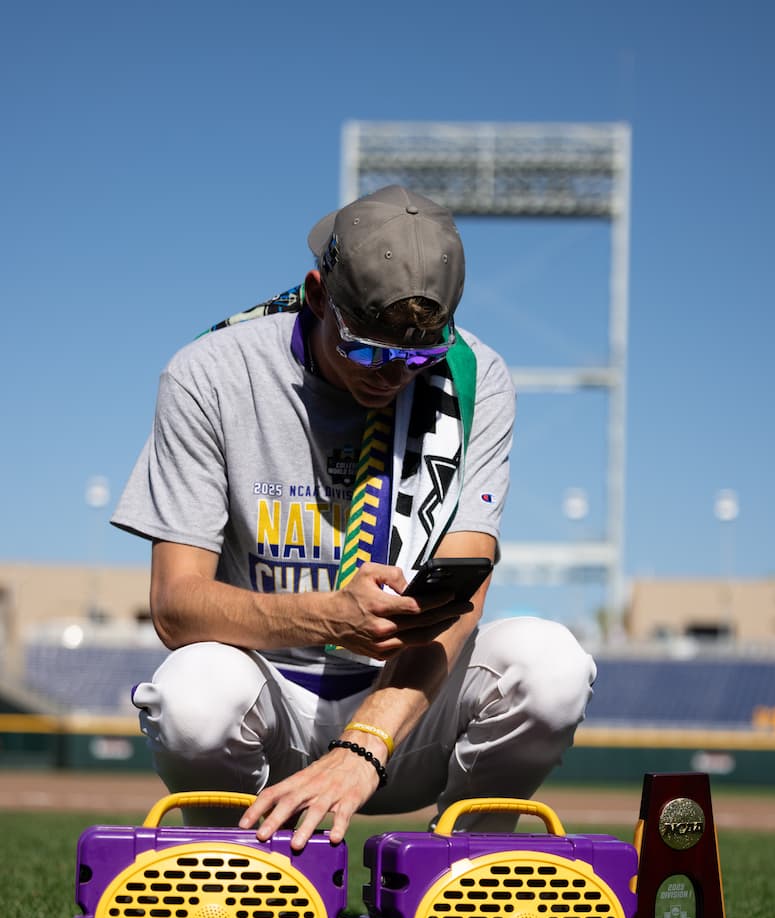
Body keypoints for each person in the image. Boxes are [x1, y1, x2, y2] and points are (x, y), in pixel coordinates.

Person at [112, 184, 596, 850]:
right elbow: (175, 607)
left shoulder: (475, 376)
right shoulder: (210, 374)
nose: (389, 378)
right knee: (192, 695)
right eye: (367, 350)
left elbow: (466, 591)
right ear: (317, 296)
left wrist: (364, 744)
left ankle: (462, 891)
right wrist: (329, 615)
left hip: (407, 707)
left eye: (415, 360)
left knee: (551, 666)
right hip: (268, 698)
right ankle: (237, 889)